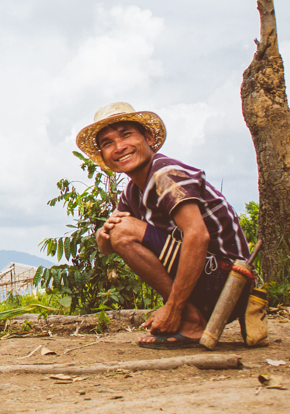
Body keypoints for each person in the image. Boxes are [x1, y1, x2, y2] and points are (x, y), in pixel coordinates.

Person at [76, 102, 252, 349]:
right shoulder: (132, 191)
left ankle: (190, 320)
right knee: (120, 231)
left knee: (124, 231)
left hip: (230, 280)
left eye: (126, 134)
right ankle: (189, 316)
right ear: (104, 157)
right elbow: (108, 245)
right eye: (107, 143)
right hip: (209, 282)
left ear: (148, 137)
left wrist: (172, 308)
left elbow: (197, 235)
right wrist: (104, 234)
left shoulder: (165, 173)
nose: (119, 147)